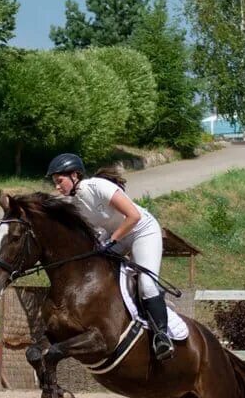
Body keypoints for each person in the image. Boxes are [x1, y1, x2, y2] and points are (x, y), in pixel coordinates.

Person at [45, 153, 174, 361]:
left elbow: (134, 216)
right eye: (55, 183)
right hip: (116, 236)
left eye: (59, 181)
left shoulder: (98, 186)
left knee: (147, 285)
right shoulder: (75, 202)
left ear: (74, 175)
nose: (58, 187)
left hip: (142, 231)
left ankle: (162, 336)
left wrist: (112, 241)